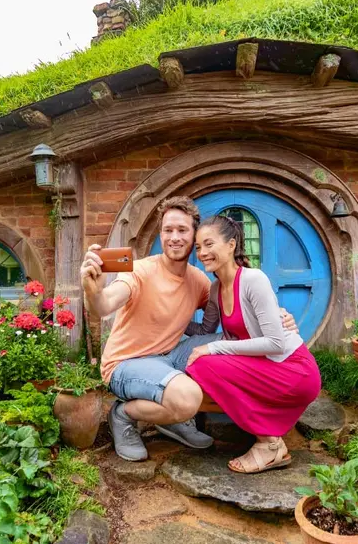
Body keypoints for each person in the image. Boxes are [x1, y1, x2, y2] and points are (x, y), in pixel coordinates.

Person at [80, 196, 296, 462]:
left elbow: (234, 309)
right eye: (168, 230)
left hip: (170, 356)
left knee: (237, 342)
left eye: (182, 230)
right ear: (161, 234)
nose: (174, 237)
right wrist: (93, 289)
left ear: (194, 235)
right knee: (187, 398)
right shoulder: (140, 271)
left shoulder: (198, 280)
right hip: (126, 365)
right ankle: (124, 415)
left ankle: (170, 418)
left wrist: (279, 317)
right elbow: (104, 305)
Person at [185, 215, 322, 474]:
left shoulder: (253, 280)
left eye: (209, 244)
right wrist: (171, 321)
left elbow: (274, 343)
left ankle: (269, 444)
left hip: (295, 370)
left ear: (231, 245)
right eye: (199, 247)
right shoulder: (215, 289)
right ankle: (267, 435)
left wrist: (214, 348)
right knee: (200, 365)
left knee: (203, 362)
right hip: (266, 367)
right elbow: (205, 330)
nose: (202, 252)